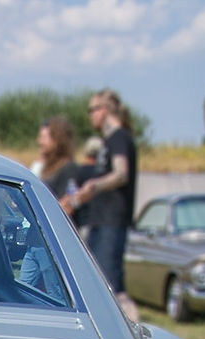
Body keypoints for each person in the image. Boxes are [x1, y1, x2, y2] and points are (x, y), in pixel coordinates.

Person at [71, 89, 140, 322]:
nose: (90, 116)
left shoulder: (119, 138)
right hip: (100, 221)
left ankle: (136, 332)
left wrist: (93, 185)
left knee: (114, 287)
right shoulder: (108, 142)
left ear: (104, 111)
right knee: (97, 282)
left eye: (92, 110)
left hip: (112, 221)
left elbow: (121, 174)